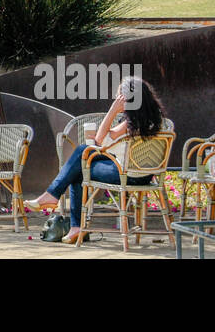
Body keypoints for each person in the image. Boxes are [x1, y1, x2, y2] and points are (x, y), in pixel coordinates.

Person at [25, 77, 167, 243]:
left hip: (127, 174)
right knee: (82, 154)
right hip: (148, 174)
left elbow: (99, 140)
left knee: (78, 170)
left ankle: (64, 210)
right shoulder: (159, 120)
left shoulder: (130, 123)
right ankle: (63, 210)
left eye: (119, 97)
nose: (117, 100)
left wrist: (113, 110)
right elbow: (108, 144)